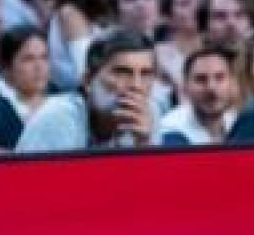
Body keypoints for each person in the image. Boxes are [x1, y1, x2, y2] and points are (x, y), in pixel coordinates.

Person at [17, 30, 158, 152]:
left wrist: (144, 145)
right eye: (122, 72)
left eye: (145, 74)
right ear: (88, 81)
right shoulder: (58, 117)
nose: (136, 85)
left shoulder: (149, 114)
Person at [158, 46, 239, 145]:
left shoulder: (238, 123)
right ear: (185, 87)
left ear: (232, 83)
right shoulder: (170, 130)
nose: (211, 87)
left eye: (219, 78)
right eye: (201, 79)